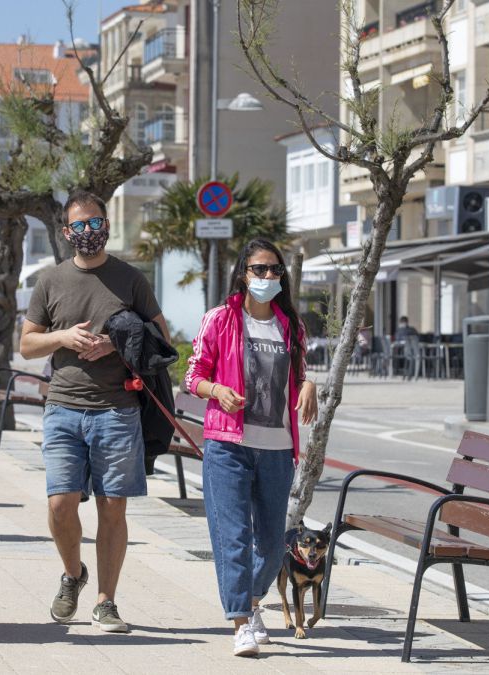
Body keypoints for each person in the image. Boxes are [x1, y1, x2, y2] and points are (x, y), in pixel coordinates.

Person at [20, 190, 168, 634]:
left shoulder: (131, 279)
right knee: (61, 505)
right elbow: (27, 345)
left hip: (118, 409)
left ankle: (107, 602)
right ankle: (73, 574)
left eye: (96, 222)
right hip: (63, 406)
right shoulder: (51, 280)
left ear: (107, 224)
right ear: (67, 233)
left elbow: (161, 338)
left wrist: (117, 342)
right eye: (79, 226)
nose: (89, 231)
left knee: (112, 509)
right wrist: (63, 338)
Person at [184, 238, 317, 657]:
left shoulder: (291, 326)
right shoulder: (220, 319)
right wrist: (217, 390)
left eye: (275, 270)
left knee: (275, 545)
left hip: (278, 449)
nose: (267, 277)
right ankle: (241, 621)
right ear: (243, 272)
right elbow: (192, 376)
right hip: (228, 445)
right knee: (234, 537)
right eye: (259, 269)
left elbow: (300, 374)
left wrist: (310, 385)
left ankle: (254, 601)